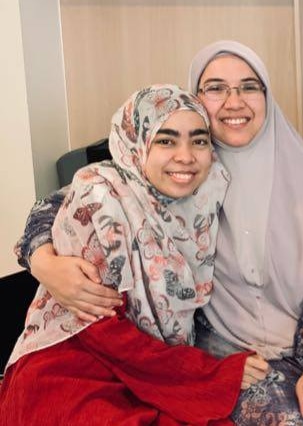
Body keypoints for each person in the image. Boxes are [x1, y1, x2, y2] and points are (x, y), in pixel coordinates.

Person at [13, 41, 303, 425]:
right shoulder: (177, 174)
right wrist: (42, 259)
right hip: (221, 341)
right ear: (196, 98)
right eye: (216, 88)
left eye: (250, 86)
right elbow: (66, 205)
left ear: (267, 96)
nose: (234, 102)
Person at [0, 84, 253, 425]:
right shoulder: (100, 197)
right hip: (73, 367)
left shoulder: (207, 194)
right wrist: (212, 374)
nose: (186, 155)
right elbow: (103, 331)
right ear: (136, 142)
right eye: (165, 140)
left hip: (147, 366)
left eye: (199, 140)